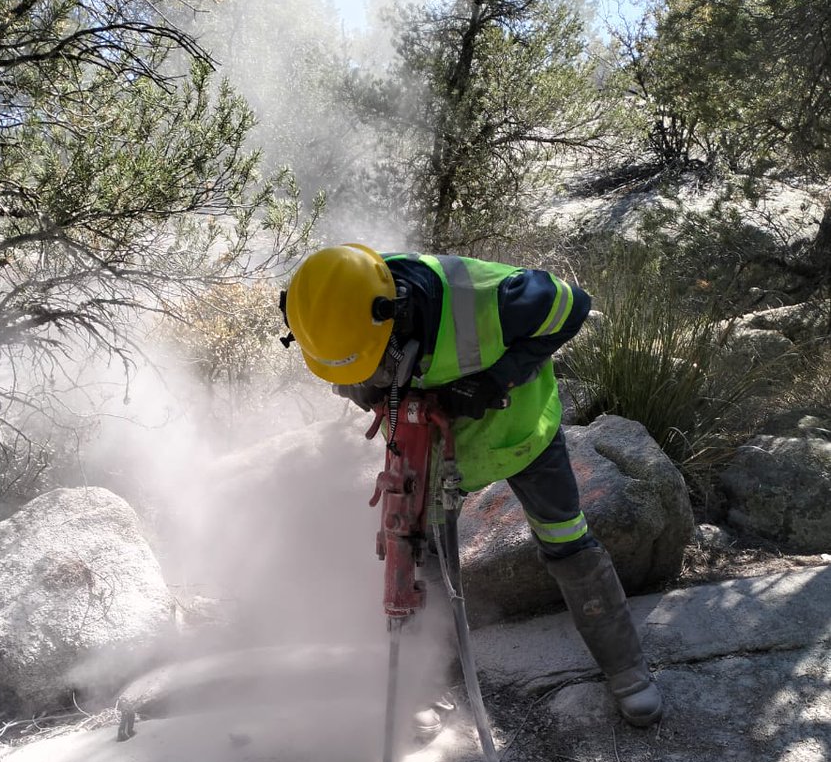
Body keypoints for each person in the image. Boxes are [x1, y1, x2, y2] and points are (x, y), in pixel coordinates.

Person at [280, 243, 663, 730]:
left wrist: (497, 378)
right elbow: (353, 376)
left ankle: (627, 671)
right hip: (433, 448)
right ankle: (425, 685)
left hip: (521, 435)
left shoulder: (484, 297)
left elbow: (573, 304)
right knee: (420, 558)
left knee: (566, 540)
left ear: (392, 313)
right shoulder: (337, 311)